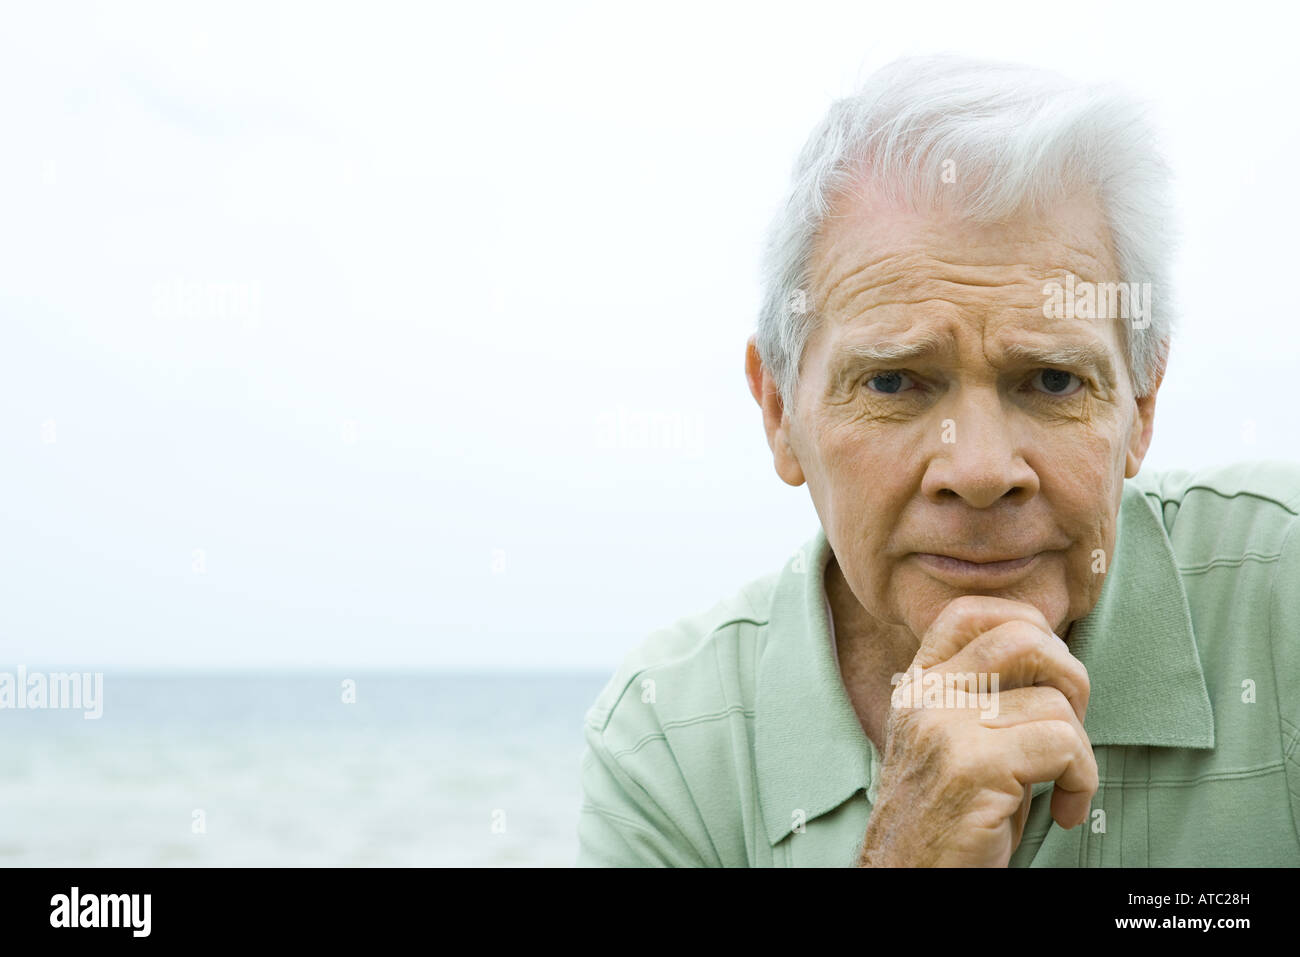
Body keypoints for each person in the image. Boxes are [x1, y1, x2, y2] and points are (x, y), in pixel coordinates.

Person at [577, 54, 1300, 866]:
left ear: (1142, 405)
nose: (982, 469)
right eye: (893, 380)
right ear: (779, 411)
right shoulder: (667, 742)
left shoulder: (1284, 597)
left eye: (1054, 380)